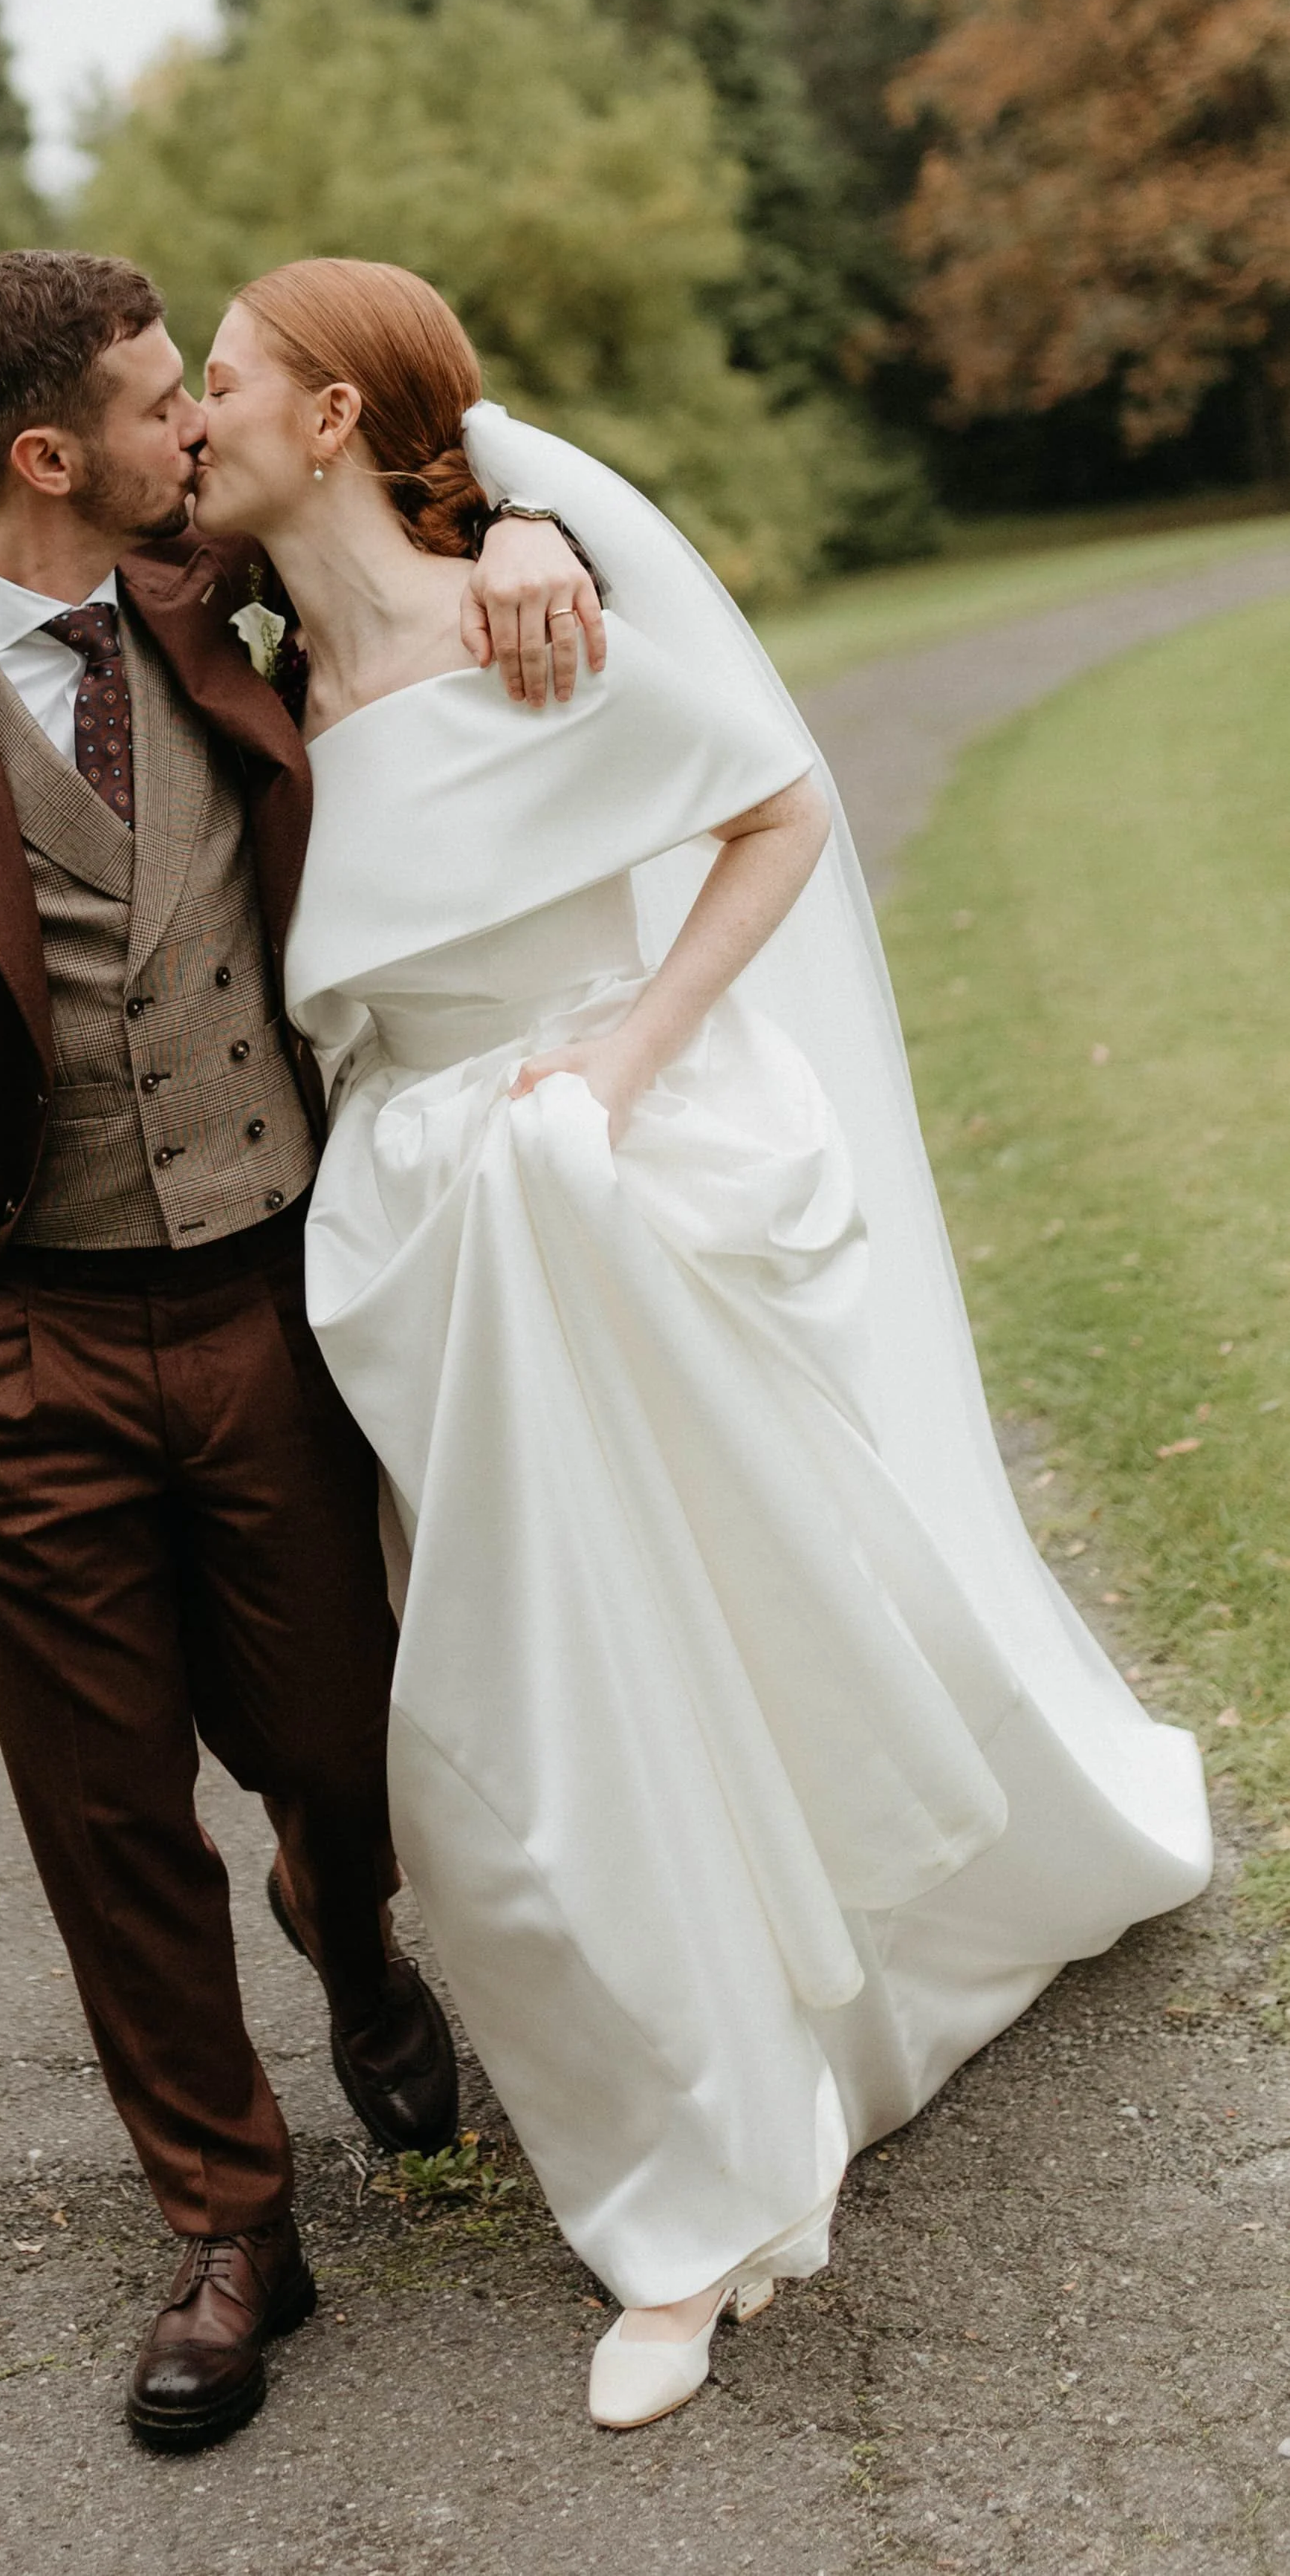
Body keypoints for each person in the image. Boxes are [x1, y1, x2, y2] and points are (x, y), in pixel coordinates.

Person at [190, 256, 1214, 2431]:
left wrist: (629, 1062)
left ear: (334, 417)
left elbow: (778, 804)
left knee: (660, 1648)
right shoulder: (251, 674)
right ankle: (701, 2076)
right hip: (414, 1236)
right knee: (525, 1707)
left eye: (223, 378)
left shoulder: (523, 630)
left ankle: (718, 2169)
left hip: (591, 1186)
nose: (190, 417)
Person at [0, 247, 602, 2453]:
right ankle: (233, 2221)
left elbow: (416, 496)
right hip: (18, 1343)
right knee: (109, 1807)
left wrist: (530, 523)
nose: (196, 424)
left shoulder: (213, 586)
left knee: (337, 1735)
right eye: (156, 401)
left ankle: (353, 1924)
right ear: (52, 455)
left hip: (267, 1292)